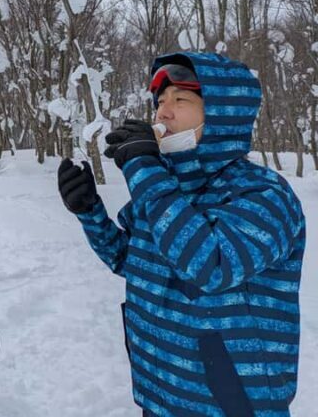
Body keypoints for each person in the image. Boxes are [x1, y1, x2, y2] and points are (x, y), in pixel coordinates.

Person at [57, 52, 305, 416]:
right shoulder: (168, 188)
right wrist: (89, 212)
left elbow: (210, 266)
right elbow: (131, 261)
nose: (162, 113)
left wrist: (144, 167)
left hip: (232, 404)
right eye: (160, 101)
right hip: (159, 395)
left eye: (181, 100)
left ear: (221, 115)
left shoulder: (263, 194)